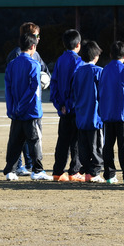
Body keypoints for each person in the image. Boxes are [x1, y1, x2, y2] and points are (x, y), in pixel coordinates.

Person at [3, 33, 51, 181]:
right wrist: (22, 106)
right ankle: (37, 170)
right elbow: (33, 89)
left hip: (15, 111)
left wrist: (12, 108)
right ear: (33, 47)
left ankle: (10, 170)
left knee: (15, 141)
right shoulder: (34, 64)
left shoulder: (12, 64)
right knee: (34, 140)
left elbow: (8, 88)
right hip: (30, 111)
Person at [50, 29, 84, 182]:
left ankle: (58, 171)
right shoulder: (79, 62)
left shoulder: (59, 61)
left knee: (62, 141)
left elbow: (54, 84)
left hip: (63, 109)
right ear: (78, 45)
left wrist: (60, 105)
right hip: (74, 108)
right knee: (75, 141)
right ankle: (74, 171)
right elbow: (76, 87)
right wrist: (69, 105)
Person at [99, 41, 124, 184]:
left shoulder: (104, 69)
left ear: (110, 54)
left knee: (108, 144)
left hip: (108, 112)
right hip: (123, 113)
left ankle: (109, 174)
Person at [72, 41, 105, 183]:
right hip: (94, 116)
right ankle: (95, 173)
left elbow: (74, 93)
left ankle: (86, 171)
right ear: (96, 56)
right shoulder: (98, 71)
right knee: (96, 145)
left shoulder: (78, 72)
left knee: (83, 146)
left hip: (80, 115)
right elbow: (102, 94)